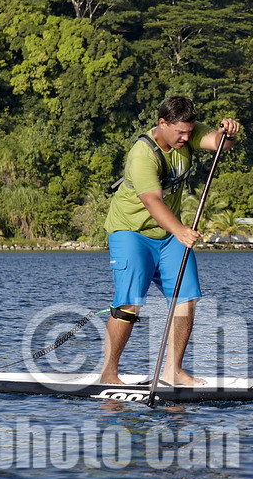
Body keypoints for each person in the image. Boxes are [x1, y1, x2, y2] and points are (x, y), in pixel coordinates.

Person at [98, 95, 240, 385]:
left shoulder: (187, 131)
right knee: (129, 303)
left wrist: (230, 134)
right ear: (162, 123)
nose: (186, 137)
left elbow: (219, 144)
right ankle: (109, 374)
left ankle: (172, 371)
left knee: (186, 298)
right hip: (131, 232)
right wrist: (180, 230)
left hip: (168, 234)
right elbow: (152, 200)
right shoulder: (143, 155)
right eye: (180, 133)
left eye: (189, 132)